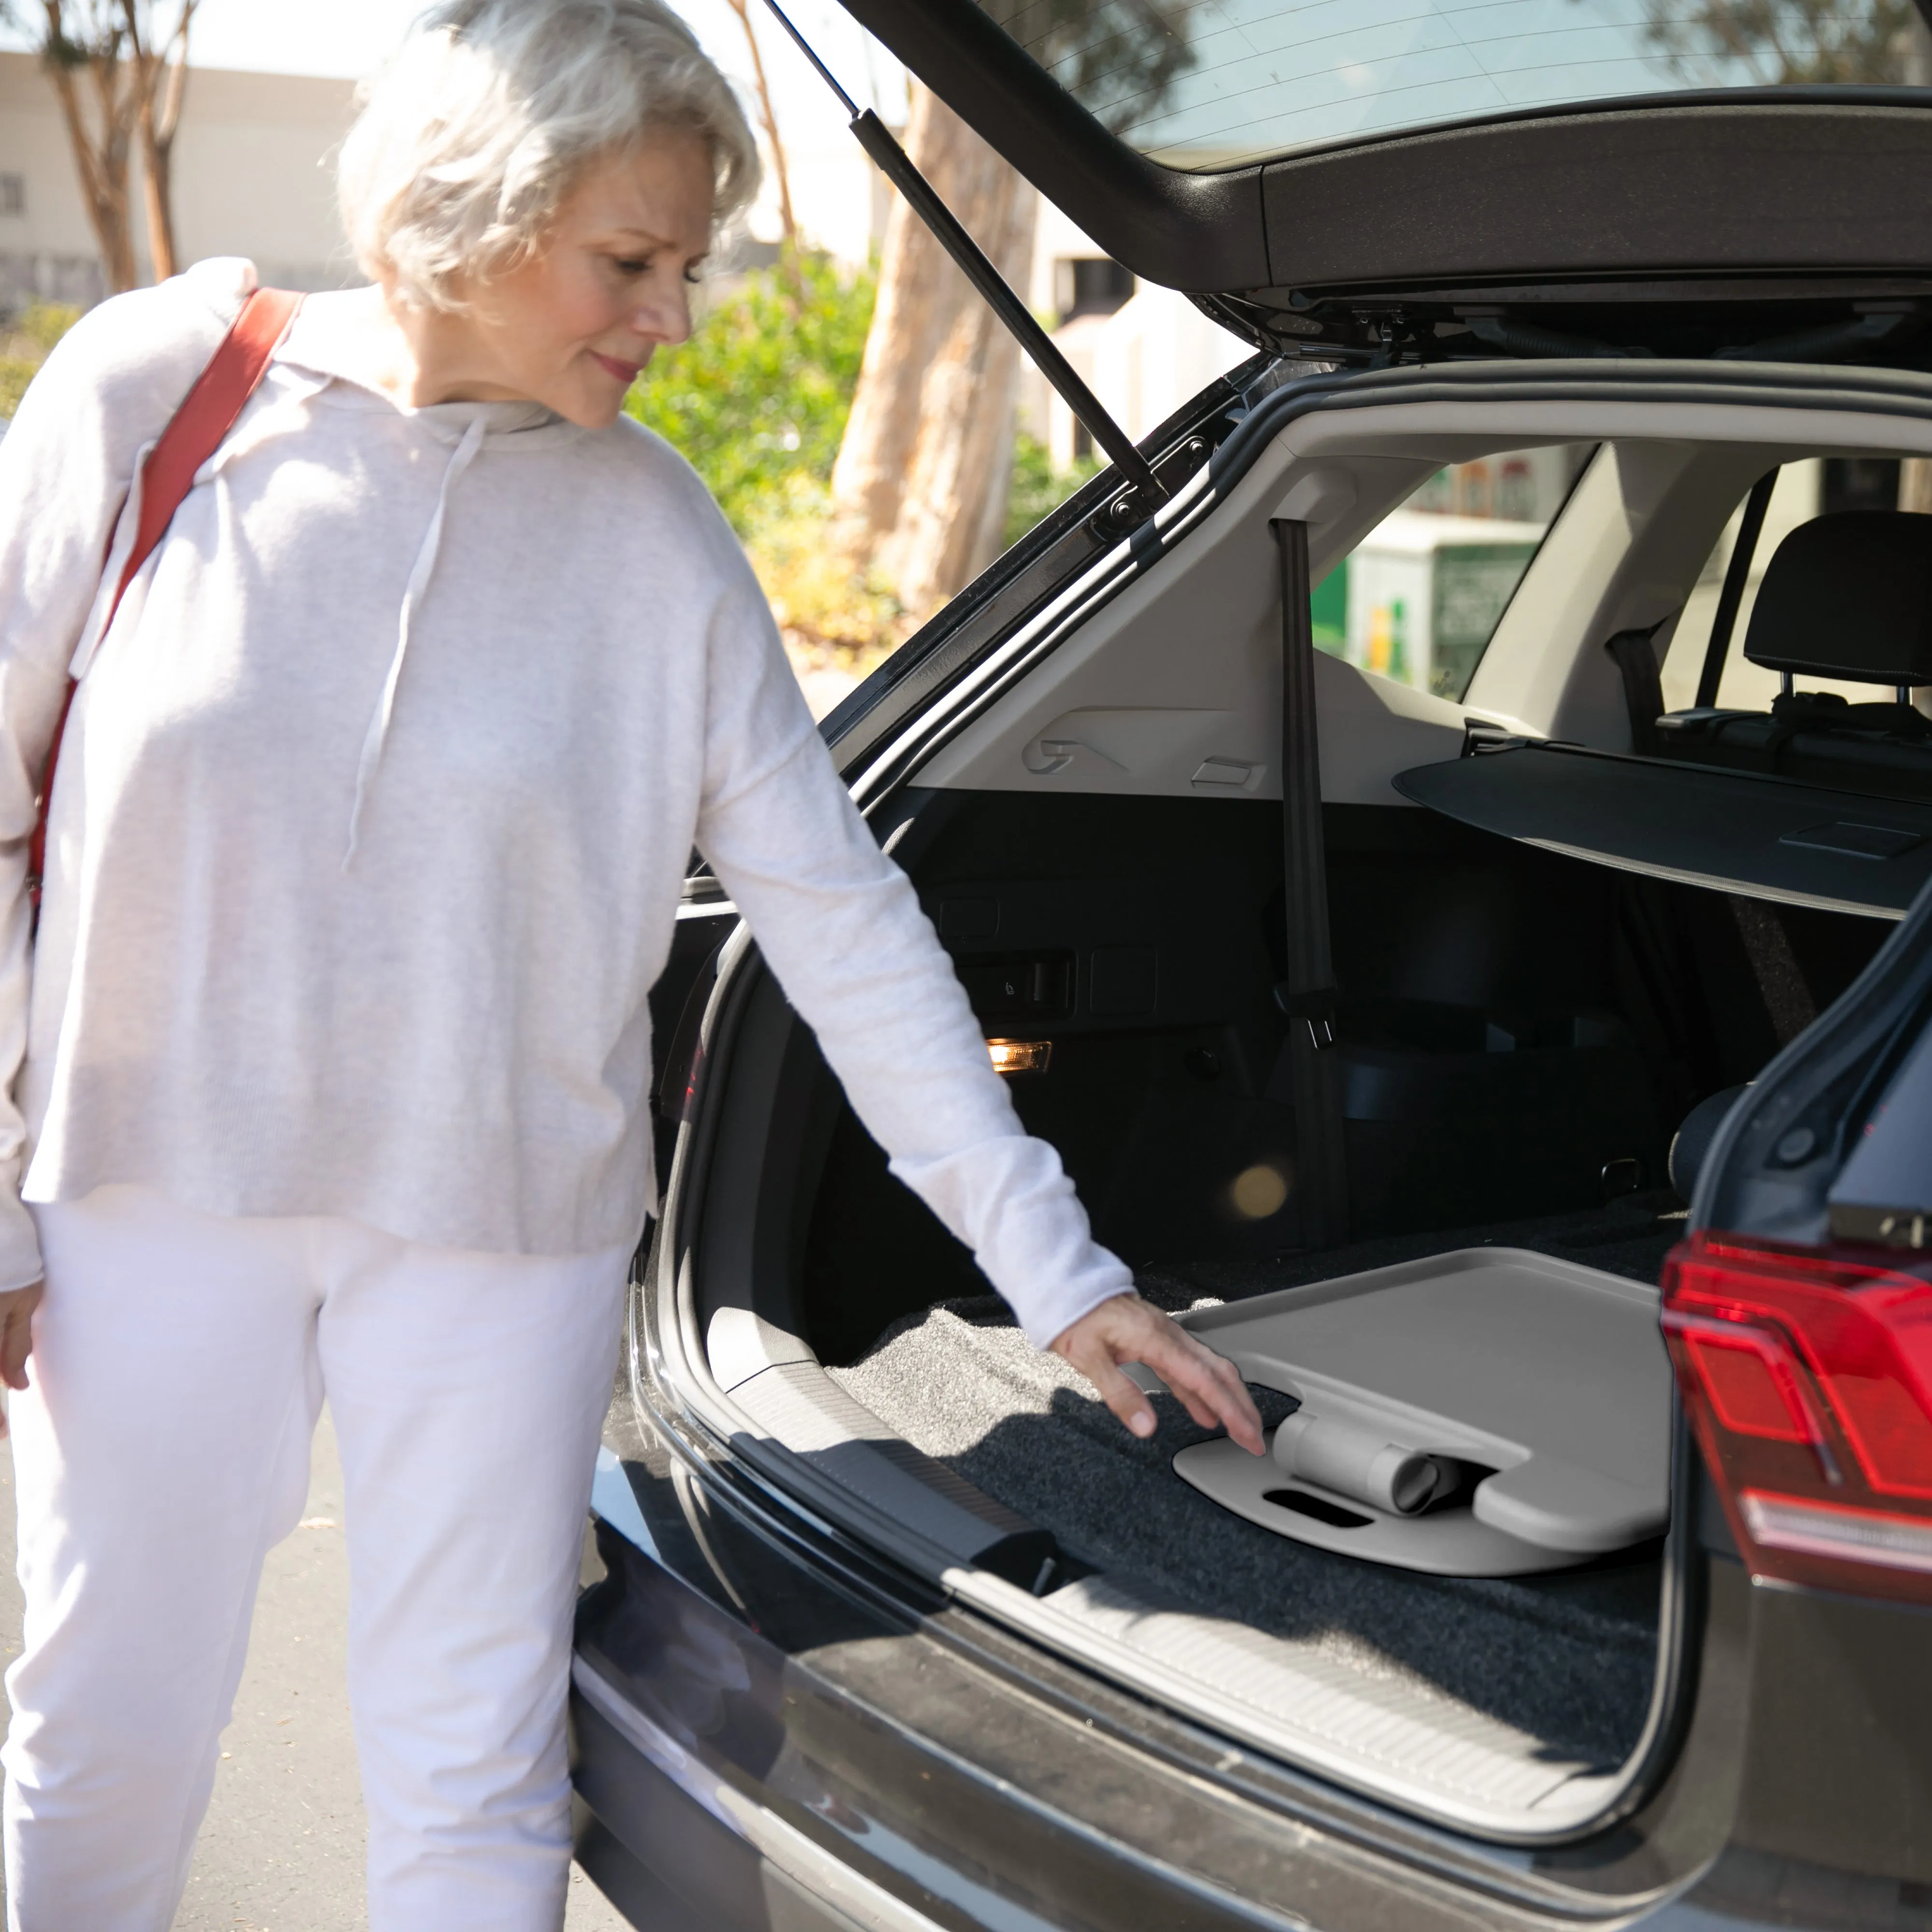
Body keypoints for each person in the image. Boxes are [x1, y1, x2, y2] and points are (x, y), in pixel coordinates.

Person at [0, 1, 1262, 1925]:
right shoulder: (160, 392)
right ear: (460, 212)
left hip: (502, 1232)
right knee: (103, 1729)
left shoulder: (660, 540)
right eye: (630, 259)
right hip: (146, 1189)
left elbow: (842, 918)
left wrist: (1058, 1272)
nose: (672, 315)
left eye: (687, 264)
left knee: (471, 1753)